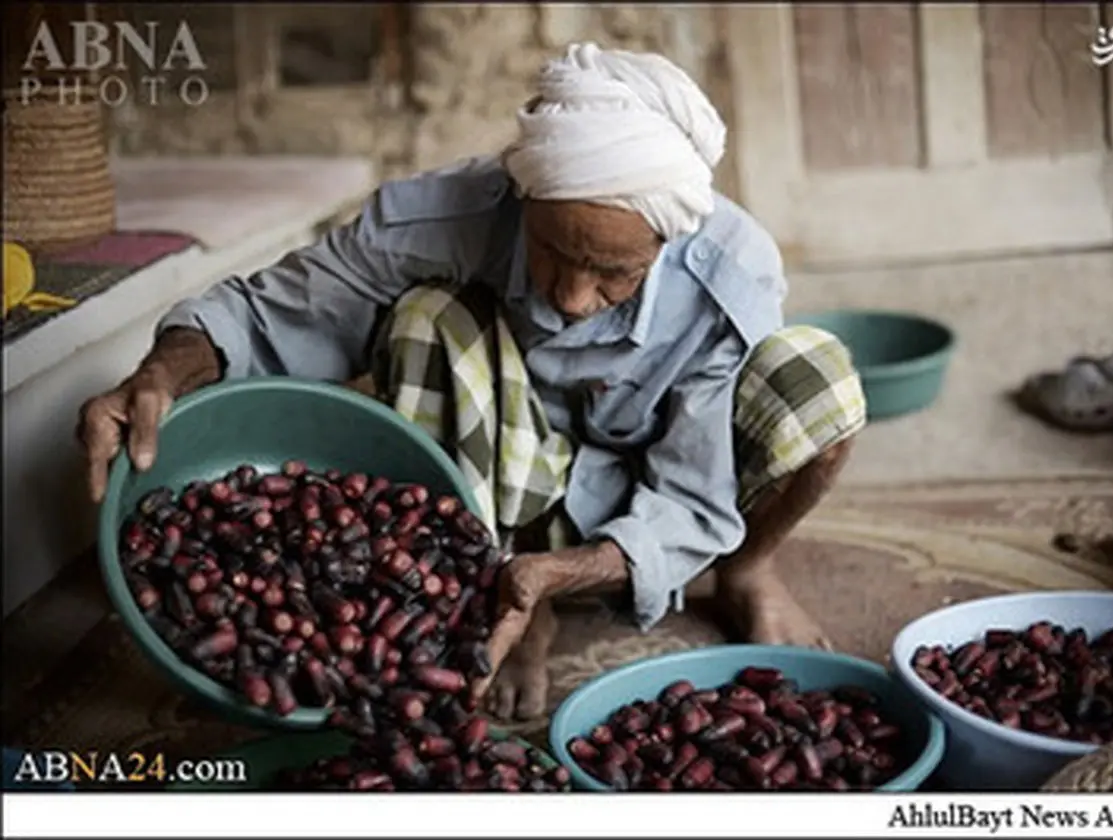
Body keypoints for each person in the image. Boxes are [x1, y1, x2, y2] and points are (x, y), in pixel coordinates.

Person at [77, 43, 866, 721]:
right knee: (424, 316)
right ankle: (494, 591)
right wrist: (160, 371)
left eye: (614, 273)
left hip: (640, 486)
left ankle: (749, 567)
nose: (572, 296)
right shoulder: (443, 217)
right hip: (494, 483)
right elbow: (267, 315)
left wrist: (568, 573)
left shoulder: (730, 269)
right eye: (555, 250)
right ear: (524, 195)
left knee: (815, 383)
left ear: (668, 238)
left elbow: (694, 497)